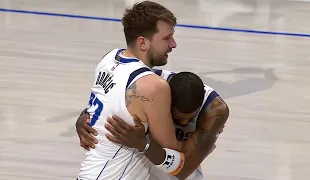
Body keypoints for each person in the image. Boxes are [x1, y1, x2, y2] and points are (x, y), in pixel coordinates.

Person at [76, 1, 186, 179]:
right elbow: (172, 160)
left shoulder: (110, 58)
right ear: (142, 42)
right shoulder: (152, 86)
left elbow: (106, 103)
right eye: (166, 38)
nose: (173, 44)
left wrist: (82, 116)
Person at [76, 69, 229, 180]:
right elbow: (110, 100)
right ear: (165, 100)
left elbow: (184, 170)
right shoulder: (148, 85)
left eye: (190, 119)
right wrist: (85, 117)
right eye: (177, 117)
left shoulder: (214, 111)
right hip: (139, 165)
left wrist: (144, 144)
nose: (183, 123)